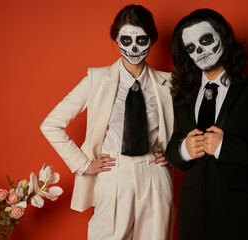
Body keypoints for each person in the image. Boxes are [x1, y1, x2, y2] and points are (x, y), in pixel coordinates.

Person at [40, 5, 174, 240]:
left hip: (155, 173)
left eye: (141, 40)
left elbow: (189, 126)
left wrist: (173, 152)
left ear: (152, 39)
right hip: (114, 174)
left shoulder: (169, 83)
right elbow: (51, 124)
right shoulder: (97, 79)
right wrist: (83, 164)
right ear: (116, 38)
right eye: (126, 39)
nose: (134, 48)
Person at [166, 8, 248, 240]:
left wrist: (225, 146)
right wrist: (183, 149)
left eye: (205, 40)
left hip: (240, 218)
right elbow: (173, 148)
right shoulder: (183, 96)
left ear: (222, 36)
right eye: (190, 48)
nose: (199, 51)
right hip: (193, 216)